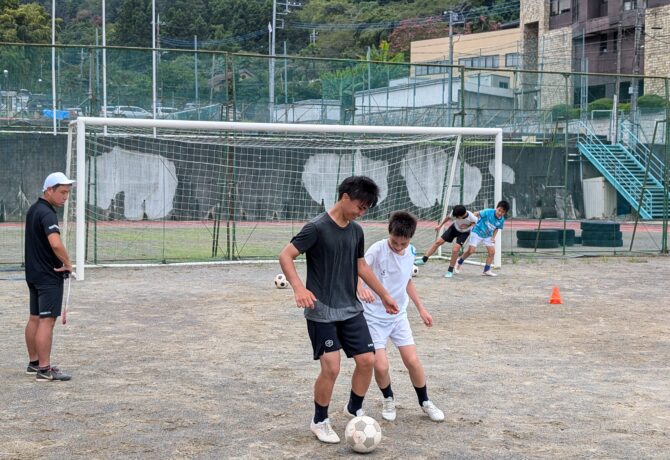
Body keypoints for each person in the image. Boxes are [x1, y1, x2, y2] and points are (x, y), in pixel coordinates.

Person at [278, 176, 400, 444]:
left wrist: (385, 295)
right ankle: (319, 420)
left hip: (351, 308)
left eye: (367, 208)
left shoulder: (356, 231)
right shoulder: (316, 228)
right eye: (360, 205)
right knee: (331, 368)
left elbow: (362, 266)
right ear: (345, 197)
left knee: (367, 360)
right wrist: (299, 288)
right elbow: (285, 255)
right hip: (321, 311)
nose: (362, 212)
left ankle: (354, 407)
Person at [357, 211, 445, 423]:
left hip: (398, 316)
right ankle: (388, 399)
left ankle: (425, 402)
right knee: (381, 366)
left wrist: (421, 309)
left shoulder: (411, 251)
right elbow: (357, 269)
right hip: (373, 317)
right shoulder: (377, 250)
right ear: (389, 232)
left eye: (403, 244)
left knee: (412, 361)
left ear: (410, 240)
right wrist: (360, 288)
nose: (398, 247)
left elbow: (407, 281)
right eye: (395, 242)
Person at [24, 172, 75, 381]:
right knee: (47, 321)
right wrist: (68, 264)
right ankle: (44, 369)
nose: (65, 197)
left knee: (35, 318)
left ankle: (34, 363)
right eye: (62, 192)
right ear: (49, 190)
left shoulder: (33, 209)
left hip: (34, 274)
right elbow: (55, 243)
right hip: (48, 275)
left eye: (67, 193)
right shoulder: (48, 214)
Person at [414, 205, 478, 278]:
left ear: (461, 215)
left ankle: (450, 270)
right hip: (454, 228)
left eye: (457, 217)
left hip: (464, 233)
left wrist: (467, 226)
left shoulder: (472, 217)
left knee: (455, 250)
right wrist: (440, 226)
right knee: (438, 242)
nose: (455, 217)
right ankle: (423, 260)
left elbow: (475, 222)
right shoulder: (455, 212)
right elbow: (448, 217)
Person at [454, 200, 510, 277]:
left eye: (502, 212)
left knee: (492, 252)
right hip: (477, 231)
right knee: (471, 251)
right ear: (496, 208)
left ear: (505, 213)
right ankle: (459, 262)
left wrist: (493, 237)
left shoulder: (502, 219)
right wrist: (468, 222)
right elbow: (476, 214)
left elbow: (496, 228)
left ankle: (486, 270)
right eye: (499, 210)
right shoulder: (488, 211)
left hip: (487, 235)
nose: (500, 213)